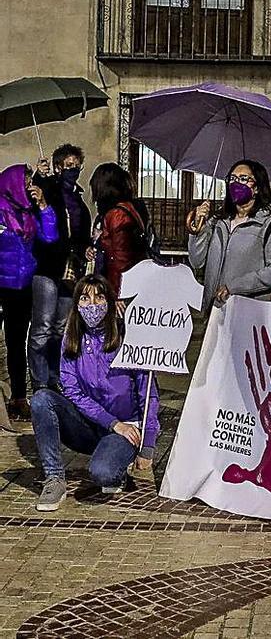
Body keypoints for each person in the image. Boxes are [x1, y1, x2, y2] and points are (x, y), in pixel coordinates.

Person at [31, 274, 158, 511]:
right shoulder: (71, 339)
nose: (92, 305)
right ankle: (54, 478)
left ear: (110, 302)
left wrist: (148, 443)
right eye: (85, 298)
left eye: (99, 298)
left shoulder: (127, 338)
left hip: (126, 428)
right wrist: (111, 423)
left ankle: (116, 465)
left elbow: (147, 392)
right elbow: (72, 391)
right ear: (77, 304)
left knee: (103, 474)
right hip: (90, 425)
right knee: (41, 399)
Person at [187, 159, 271, 313]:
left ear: (256, 188)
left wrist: (235, 287)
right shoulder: (217, 222)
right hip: (214, 311)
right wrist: (199, 230)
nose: (236, 183)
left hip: (248, 312)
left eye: (243, 179)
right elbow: (196, 261)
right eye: (233, 178)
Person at [29, 144, 92, 394]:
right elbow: (34, 201)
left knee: (60, 328)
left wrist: (87, 247)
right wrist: (38, 175)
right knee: (42, 327)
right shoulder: (50, 189)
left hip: (71, 269)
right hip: (46, 268)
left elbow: (81, 234)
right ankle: (39, 379)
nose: (73, 170)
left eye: (76, 166)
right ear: (58, 167)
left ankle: (54, 377)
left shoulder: (78, 199)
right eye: (68, 166)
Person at [0, 164, 59, 420]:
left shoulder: (27, 213)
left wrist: (44, 206)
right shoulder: (0, 211)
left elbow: (50, 237)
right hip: (1, 283)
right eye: (24, 180)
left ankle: (18, 397)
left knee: (16, 341)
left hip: (21, 286)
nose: (28, 185)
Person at [89, 163, 149, 296]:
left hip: (120, 285)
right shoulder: (127, 208)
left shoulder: (117, 214)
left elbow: (121, 258)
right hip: (129, 280)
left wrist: (119, 293)